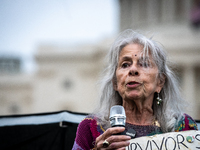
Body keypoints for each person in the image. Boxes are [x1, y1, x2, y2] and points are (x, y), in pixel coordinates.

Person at [72, 29, 198, 150]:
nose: (133, 70)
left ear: (160, 81)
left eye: (144, 64)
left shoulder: (184, 127)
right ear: (115, 82)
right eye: (125, 64)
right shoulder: (90, 128)